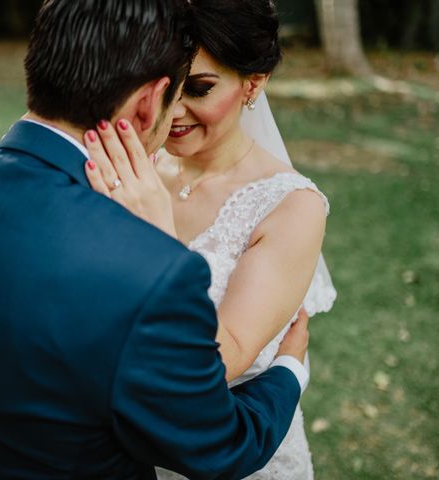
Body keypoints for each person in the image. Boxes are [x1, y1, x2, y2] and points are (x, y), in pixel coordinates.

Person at [0, 1, 311, 478]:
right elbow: (220, 445)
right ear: (151, 101)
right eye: (179, 93)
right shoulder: (147, 268)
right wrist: (289, 371)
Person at [84, 1, 336, 479]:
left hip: (234, 451)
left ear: (253, 83)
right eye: (165, 86)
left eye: (199, 89)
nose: (173, 111)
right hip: (127, 449)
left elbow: (219, 360)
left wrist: (156, 238)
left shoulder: (290, 206)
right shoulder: (138, 167)